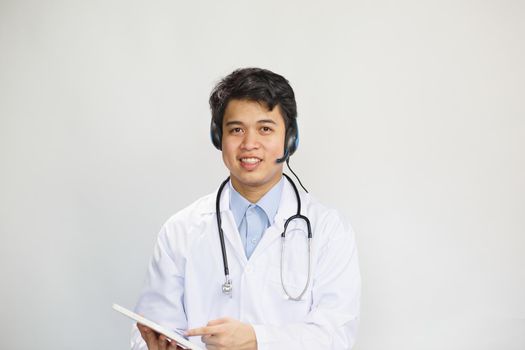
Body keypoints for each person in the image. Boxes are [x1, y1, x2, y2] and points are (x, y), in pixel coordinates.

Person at [131, 68, 361, 350]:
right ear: (218, 137)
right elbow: (149, 332)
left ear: (290, 139)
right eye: (236, 130)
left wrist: (257, 340)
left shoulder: (329, 229)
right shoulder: (180, 230)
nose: (249, 144)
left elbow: (336, 337)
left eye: (265, 129)